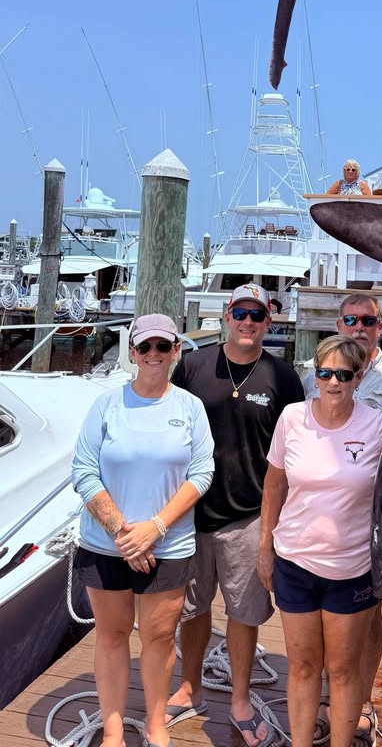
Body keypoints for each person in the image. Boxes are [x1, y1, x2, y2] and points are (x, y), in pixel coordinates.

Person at [164, 283, 303, 747]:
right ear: (227, 314)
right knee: (193, 608)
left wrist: (278, 526)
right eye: (240, 312)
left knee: (245, 614)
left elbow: (294, 452)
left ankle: (240, 699)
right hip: (192, 513)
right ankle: (190, 687)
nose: (248, 321)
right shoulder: (192, 365)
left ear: (269, 322)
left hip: (250, 516)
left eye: (257, 315)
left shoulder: (282, 377)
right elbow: (167, 429)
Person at [71, 314, 215, 747]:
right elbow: (83, 471)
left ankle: (155, 726)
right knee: (112, 636)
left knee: (157, 639)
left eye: (163, 346)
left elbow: (202, 472)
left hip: (167, 546)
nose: (154, 354)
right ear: (132, 353)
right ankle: (113, 729)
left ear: (175, 352)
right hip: (106, 544)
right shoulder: (107, 406)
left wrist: (154, 528)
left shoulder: (190, 408)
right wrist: (122, 533)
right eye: (145, 346)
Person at [259, 336, 382, 747]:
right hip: (294, 563)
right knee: (301, 666)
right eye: (325, 373)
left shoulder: (379, 426)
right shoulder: (291, 419)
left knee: (343, 669)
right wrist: (265, 546)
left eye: (343, 375)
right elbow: (274, 484)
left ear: (359, 377)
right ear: (314, 373)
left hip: (353, 570)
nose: (333, 382)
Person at [301, 294, 382, 746]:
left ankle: (359, 704)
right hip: (320, 515)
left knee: (367, 611)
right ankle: (329, 699)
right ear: (338, 323)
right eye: (350, 319)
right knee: (323, 615)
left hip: (375, 515)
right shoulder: (312, 375)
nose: (359, 327)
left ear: (381, 326)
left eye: (368, 320)